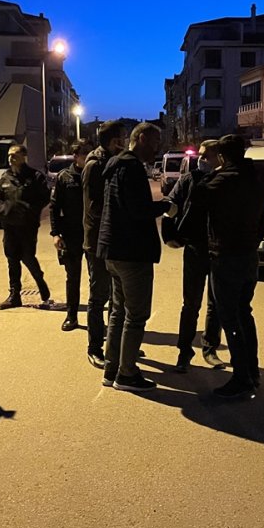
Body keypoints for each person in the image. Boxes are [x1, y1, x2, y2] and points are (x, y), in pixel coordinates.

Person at [179, 134, 264, 398]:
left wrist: (209, 175)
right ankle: (252, 371)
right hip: (249, 255)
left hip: (226, 255)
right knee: (244, 314)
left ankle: (241, 378)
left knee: (230, 318)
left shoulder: (220, 181)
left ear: (222, 156)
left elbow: (195, 202)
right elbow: (263, 222)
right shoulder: (257, 179)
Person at [97, 122, 173, 392]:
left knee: (118, 312)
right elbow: (138, 210)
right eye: (154, 142)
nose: (157, 148)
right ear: (140, 139)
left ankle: (111, 368)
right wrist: (165, 207)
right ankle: (127, 374)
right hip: (131, 252)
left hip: (113, 250)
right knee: (136, 315)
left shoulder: (115, 165)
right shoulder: (131, 168)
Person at [163, 139, 224, 372]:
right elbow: (171, 205)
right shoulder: (189, 180)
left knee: (215, 303)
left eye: (207, 156)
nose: (202, 160)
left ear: (219, 157)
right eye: (201, 155)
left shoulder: (224, 181)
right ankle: (184, 351)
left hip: (218, 250)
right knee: (190, 304)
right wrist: (170, 235)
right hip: (195, 249)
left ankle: (210, 348)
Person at [81, 120, 127, 368]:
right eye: (122, 138)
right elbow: (95, 207)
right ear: (112, 141)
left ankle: (114, 346)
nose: (125, 142)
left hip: (112, 239)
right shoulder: (95, 165)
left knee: (116, 297)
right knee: (98, 297)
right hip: (98, 241)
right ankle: (95, 348)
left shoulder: (112, 160)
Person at [0, 144, 52, 309]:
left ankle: (39, 279)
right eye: (9, 155)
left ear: (23, 157)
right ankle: (14, 295)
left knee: (27, 256)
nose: (11, 158)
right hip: (10, 225)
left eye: (14, 155)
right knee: (12, 259)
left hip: (27, 225)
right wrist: (3, 210)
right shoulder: (5, 177)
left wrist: (30, 210)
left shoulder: (35, 176)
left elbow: (45, 197)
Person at [50, 140, 92, 331]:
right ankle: (71, 316)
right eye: (84, 154)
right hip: (71, 235)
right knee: (72, 278)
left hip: (92, 234)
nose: (88, 158)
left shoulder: (95, 174)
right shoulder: (64, 177)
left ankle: (95, 320)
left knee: (97, 280)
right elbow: (54, 207)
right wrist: (56, 234)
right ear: (76, 156)